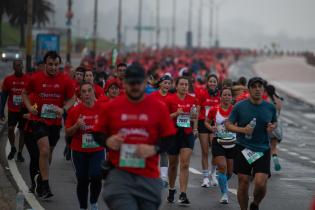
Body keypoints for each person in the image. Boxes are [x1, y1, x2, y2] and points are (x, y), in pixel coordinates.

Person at [93, 64, 176, 210]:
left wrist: (154, 149)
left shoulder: (158, 107)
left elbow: (169, 137)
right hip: (119, 174)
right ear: (124, 83)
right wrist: (107, 140)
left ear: (145, 82)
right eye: (131, 83)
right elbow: (97, 132)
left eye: (139, 82)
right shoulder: (112, 107)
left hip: (148, 176)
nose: (135, 86)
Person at [22, 51, 75, 199]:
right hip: (38, 120)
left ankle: (40, 178)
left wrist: (63, 109)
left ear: (59, 65)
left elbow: (72, 98)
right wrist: (29, 107)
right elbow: (24, 93)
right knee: (44, 151)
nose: (53, 67)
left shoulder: (65, 80)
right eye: (50, 64)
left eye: (56, 65)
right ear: (45, 64)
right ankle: (45, 185)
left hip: (55, 123)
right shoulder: (36, 78)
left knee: (48, 153)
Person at [225, 77, 277, 210]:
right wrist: (243, 130)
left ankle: (255, 204)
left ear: (263, 89)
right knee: (243, 182)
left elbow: (274, 123)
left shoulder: (270, 107)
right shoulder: (240, 106)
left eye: (260, 86)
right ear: (249, 90)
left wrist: (272, 127)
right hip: (243, 147)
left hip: (263, 149)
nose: (258, 89)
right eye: (254, 86)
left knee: (260, 183)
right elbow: (228, 125)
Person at [65, 82, 104, 210]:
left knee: (96, 176)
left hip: (97, 150)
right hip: (79, 151)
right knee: (82, 180)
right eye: (84, 91)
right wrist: (77, 125)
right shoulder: (75, 111)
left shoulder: (102, 108)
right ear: (80, 95)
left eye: (89, 91)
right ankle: (83, 207)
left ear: (93, 92)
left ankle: (93, 203)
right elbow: (67, 132)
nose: (87, 94)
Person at [166, 76, 198, 206]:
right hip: (173, 134)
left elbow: (194, 115)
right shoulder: (170, 99)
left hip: (187, 133)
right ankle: (172, 189)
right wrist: (175, 114)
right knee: (173, 165)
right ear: (177, 85)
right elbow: (164, 118)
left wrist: (195, 126)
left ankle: (183, 194)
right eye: (182, 84)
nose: (185, 87)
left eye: (186, 85)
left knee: (184, 164)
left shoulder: (192, 99)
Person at [205, 87, 236, 204]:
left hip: (232, 142)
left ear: (231, 98)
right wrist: (211, 128)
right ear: (221, 97)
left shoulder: (235, 110)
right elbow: (206, 122)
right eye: (225, 95)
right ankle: (224, 194)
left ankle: (222, 180)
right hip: (218, 141)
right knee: (222, 166)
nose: (227, 97)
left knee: (230, 172)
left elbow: (241, 123)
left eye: (229, 95)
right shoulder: (214, 109)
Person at [0, 59, 29, 162]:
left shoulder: (28, 79)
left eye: (20, 65)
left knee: (23, 132)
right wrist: (1, 111)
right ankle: (13, 147)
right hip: (12, 109)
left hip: (24, 110)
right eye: (16, 65)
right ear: (13, 67)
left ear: (22, 66)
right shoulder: (8, 79)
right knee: (11, 129)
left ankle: (20, 153)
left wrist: (33, 109)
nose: (18, 67)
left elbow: (33, 96)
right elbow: (3, 96)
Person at [197, 74, 220, 187]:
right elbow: (197, 110)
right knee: (205, 151)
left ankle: (213, 174)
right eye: (210, 81)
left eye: (214, 81)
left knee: (215, 152)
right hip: (203, 123)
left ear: (217, 83)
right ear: (207, 83)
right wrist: (195, 127)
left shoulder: (220, 95)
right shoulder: (202, 93)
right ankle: (205, 178)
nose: (212, 83)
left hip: (215, 124)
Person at [149, 74, 173, 187]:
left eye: (169, 83)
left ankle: (163, 178)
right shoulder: (152, 96)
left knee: (164, 152)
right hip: (154, 128)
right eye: (165, 83)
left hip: (166, 129)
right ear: (160, 84)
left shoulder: (171, 97)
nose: (167, 85)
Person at [266, 84, 283, 171]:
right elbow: (279, 112)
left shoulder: (266, 100)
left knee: (266, 147)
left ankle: (267, 165)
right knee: (274, 147)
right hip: (277, 125)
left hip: (268, 125)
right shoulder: (279, 100)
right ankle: (275, 160)